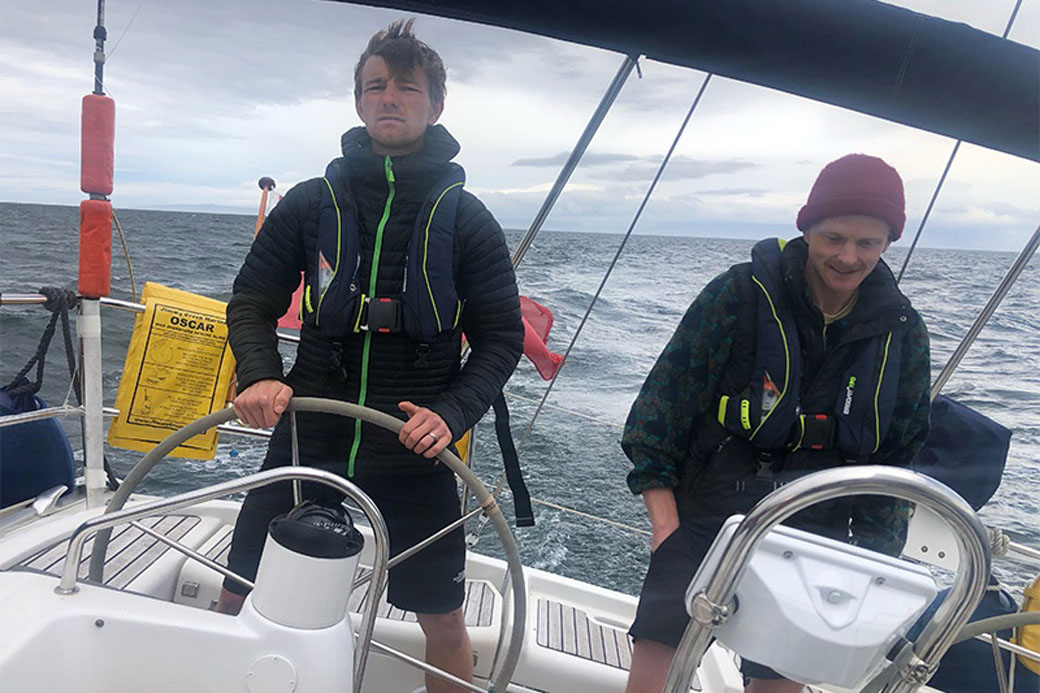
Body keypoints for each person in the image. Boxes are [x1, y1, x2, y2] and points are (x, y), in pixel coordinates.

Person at [215, 20, 524, 693]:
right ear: (358, 102)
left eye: (407, 88)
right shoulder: (310, 203)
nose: (389, 97)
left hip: (414, 444)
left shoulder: (468, 220)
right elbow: (251, 300)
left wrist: (452, 414)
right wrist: (261, 373)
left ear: (435, 105)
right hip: (310, 430)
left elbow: (502, 338)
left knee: (443, 618)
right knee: (239, 583)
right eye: (376, 86)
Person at [622, 154, 932, 692]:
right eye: (834, 238)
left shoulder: (904, 332)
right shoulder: (736, 295)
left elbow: (894, 459)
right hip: (707, 514)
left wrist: (872, 566)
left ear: (888, 243)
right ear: (806, 229)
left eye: (867, 243)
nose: (848, 256)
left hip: (820, 531)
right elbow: (659, 410)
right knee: (657, 670)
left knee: (781, 683)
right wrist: (665, 526)